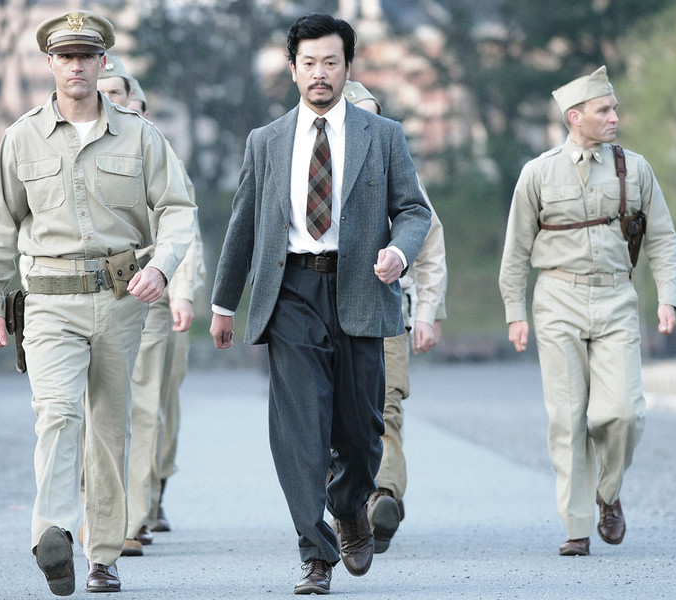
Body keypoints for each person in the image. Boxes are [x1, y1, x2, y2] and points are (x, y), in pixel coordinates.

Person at [0, 11, 196, 595]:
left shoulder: (140, 135)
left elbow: (177, 209)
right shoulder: (21, 137)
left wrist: (162, 266)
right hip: (48, 302)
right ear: (50, 63)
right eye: (65, 56)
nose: (76, 66)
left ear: (103, 63)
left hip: (120, 300)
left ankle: (102, 554)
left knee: (108, 429)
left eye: (86, 56)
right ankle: (52, 532)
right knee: (58, 414)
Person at [209, 14, 431, 594]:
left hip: (361, 288)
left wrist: (399, 253)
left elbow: (414, 210)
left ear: (347, 67)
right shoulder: (266, 141)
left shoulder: (382, 135)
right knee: (301, 431)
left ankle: (350, 507)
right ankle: (315, 552)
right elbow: (242, 224)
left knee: (361, 432)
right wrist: (224, 303)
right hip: (291, 292)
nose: (320, 73)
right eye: (308, 63)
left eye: (331, 62)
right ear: (292, 69)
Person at [498, 66, 676, 557]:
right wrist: (516, 311)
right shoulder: (538, 173)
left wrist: (667, 296)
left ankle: (608, 492)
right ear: (574, 117)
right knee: (567, 418)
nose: (615, 117)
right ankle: (576, 525)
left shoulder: (635, 169)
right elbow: (516, 250)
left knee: (623, 412)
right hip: (557, 298)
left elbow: (662, 238)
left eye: (615, 108)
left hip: (617, 298)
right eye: (604, 110)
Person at [96, 57, 204, 555]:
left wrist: (182, 291)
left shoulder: (155, 150)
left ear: (138, 103)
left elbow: (183, 227)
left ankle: (134, 515)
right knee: (93, 409)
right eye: (103, 92)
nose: (109, 101)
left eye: (119, 93)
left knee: (148, 406)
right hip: (87, 294)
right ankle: (98, 507)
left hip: (147, 289)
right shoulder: (70, 147)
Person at [342, 80, 448, 554]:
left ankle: (381, 497)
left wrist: (427, 311)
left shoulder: (394, 164)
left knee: (386, 408)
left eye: (374, 116)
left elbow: (429, 236)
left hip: (388, 309)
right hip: (324, 310)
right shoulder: (305, 168)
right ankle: (345, 504)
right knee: (332, 415)